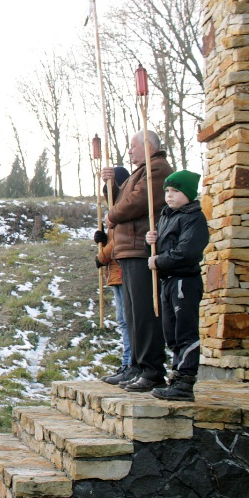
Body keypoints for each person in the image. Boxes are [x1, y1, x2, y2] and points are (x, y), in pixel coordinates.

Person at [100, 130, 173, 392]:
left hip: (141, 248)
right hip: (127, 249)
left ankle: (153, 370)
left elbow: (137, 202)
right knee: (132, 314)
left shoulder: (157, 169)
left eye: (133, 146)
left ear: (148, 146)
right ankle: (138, 366)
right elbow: (122, 199)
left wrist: (112, 216)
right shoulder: (139, 171)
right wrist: (112, 187)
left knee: (144, 312)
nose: (129, 151)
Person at [145, 170, 209, 402]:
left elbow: (187, 252)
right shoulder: (166, 216)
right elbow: (159, 251)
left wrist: (159, 260)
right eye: (168, 191)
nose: (170, 196)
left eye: (176, 191)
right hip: (168, 281)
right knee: (171, 332)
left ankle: (185, 381)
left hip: (184, 281)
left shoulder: (194, 217)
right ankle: (177, 375)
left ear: (189, 194)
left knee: (184, 331)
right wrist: (151, 243)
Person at [94, 166, 132, 382]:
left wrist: (103, 256)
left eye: (111, 191)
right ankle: (127, 362)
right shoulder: (116, 210)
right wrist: (103, 239)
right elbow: (113, 238)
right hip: (117, 272)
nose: (109, 197)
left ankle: (130, 363)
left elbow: (121, 240)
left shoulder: (125, 210)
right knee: (123, 319)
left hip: (124, 270)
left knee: (128, 320)